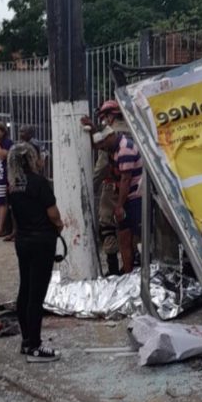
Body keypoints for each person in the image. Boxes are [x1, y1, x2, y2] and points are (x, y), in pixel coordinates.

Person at [7, 142, 64, 362]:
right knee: (37, 294)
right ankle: (35, 346)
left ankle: (26, 340)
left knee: (25, 288)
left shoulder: (13, 185)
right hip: (42, 241)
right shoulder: (39, 183)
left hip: (23, 240)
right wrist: (58, 226)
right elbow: (53, 214)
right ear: (31, 159)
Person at [81, 100, 132, 275]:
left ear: (109, 117)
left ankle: (113, 270)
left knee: (107, 225)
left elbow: (102, 166)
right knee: (132, 229)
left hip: (113, 186)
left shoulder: (111, 135)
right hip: (136, 185)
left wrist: (90, 187)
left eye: (103, 118)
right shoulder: (134, 129)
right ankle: (134, 267)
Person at [93, 126, 143, 274]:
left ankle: (130, 271)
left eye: (103, 144)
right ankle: (128, 271)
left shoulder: (124, 150)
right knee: (125, 237)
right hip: (129, 196)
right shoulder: (115, 147)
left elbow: (126, 180)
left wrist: (120, 206)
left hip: (134, 197)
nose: (102, 148)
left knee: (128, 237)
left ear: (109, 137)